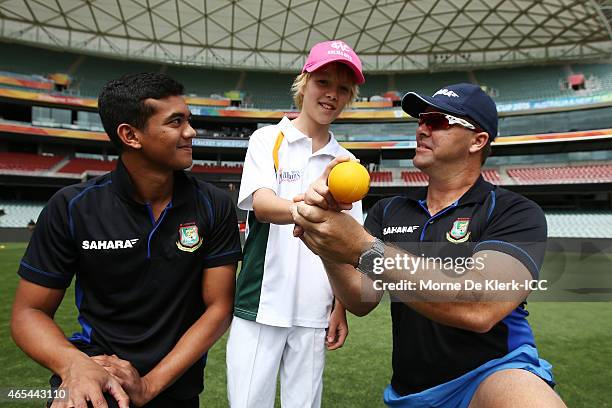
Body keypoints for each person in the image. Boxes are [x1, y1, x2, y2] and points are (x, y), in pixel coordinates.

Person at [291, 83, 567, 407]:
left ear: (478, 141)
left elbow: (481, 306)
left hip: (492, 373)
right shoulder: (389, 210)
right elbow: (361, 299)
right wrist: (328, 243)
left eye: (437, 121)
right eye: (421, 119)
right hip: (411, 391)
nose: (422, 128)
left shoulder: (513, 211)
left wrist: (363, 248)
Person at [11, 73, 242, 408]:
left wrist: (149, 385)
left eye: (188, 120)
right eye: (176, 122)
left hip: (175, 387)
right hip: (93, 381)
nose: (191, 132)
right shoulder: (72, 206)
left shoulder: (214, 204)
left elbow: (219, 307)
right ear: (130, 135)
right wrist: (74, 364)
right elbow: (28, 312)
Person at [226, 40, 365, 408]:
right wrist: (312, 205)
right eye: (323, 82)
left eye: (342, 89)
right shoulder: (268, 139)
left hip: (315, 312)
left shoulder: (347, 164)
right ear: (304, 82)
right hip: (261, 303)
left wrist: (340, 307)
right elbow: (262, 205)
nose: (332, 95)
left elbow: (349, 246)